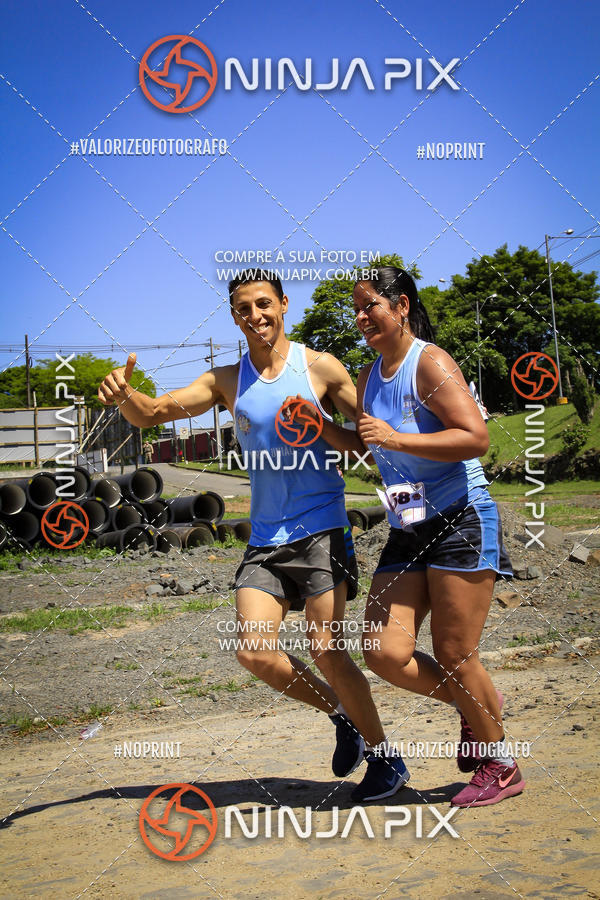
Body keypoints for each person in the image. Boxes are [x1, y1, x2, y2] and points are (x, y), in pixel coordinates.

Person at [97, 269, 408, 802]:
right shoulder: (226, 381)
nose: (255, 315)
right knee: (254, 651)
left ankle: (386, 763)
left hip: (322, 529)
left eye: (264, 304)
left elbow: (369, 443)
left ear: (284, 304)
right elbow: (150, 414)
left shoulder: (321, 368)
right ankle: (342, 715)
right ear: (235, 317)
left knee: (327, 650)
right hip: (265, 536)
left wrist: (324, 428)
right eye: (243, 309)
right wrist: (124, 393)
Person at [349, 265, 525, 808]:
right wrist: (314, 428)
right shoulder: (369, 375)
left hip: (461, 516)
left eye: (369, 305)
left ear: (401, 306)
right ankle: (479, 706)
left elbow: (475, 437)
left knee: (452, 650)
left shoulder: (431, 362)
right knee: (382, 650)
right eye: (355, 309)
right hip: (408, 517)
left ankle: (500, 762)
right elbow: (367, 443)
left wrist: (398, 435)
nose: (361, 318)